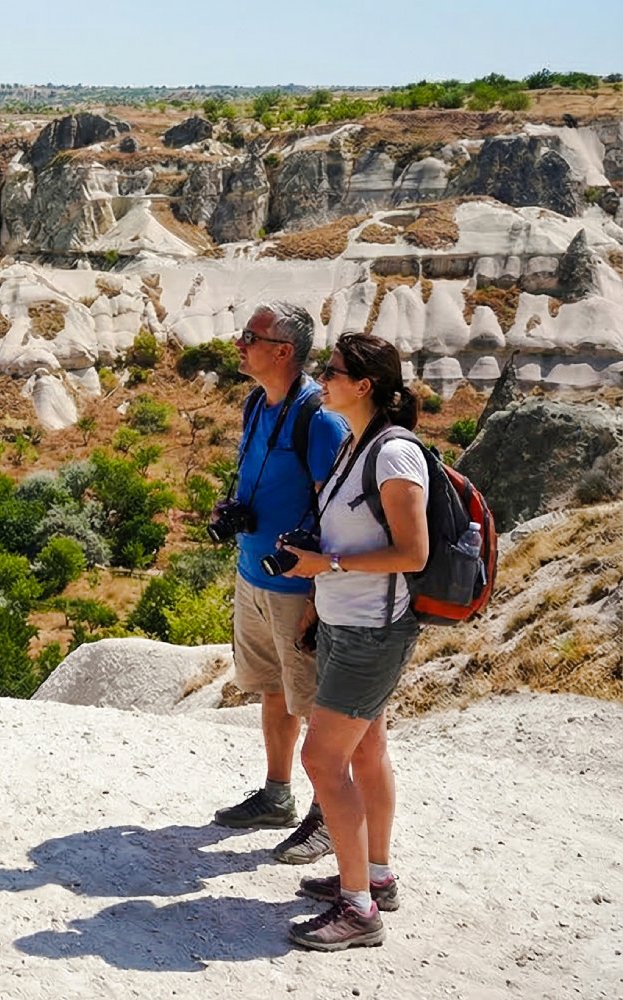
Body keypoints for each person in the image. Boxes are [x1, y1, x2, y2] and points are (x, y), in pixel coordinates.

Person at [279, 332, 429, 950]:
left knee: (320, 760)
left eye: (333, 371)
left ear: (364, 385)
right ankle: (375, 874)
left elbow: (412, 552)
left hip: (374, 629)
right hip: (348, 621)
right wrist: (319, 585)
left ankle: (358, 910)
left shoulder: (393, 455)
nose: (323, 378)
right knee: (367, 754)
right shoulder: (356, 446)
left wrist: (328, 567)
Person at [211, 303, 347, 868]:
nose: (239, 343)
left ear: (283, 351)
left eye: (250, 336)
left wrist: (321, 594)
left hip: (299, 589)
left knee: (317, 703)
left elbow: (337, 509)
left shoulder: (318, 418)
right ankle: (277, 795)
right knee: (272, 687)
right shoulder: (256, 403)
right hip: (254, 573)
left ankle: (328, 818)